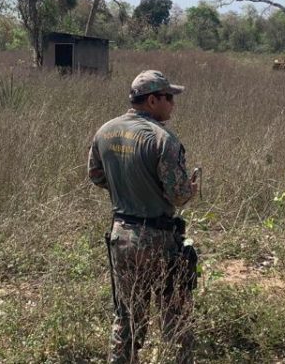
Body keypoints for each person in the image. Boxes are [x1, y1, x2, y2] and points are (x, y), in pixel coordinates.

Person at [88, 70, 200, 364]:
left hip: (122, 235)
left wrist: (128, 189)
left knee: (127, 317)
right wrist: (191, 189)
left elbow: (96, 177)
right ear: (152, 100)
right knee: (175, 317)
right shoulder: (163, 139)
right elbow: (178, 196)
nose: (172, 104)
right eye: (168, 97)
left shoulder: (105, 131)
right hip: (159, 239)